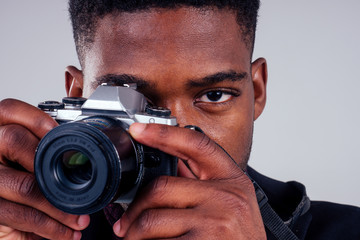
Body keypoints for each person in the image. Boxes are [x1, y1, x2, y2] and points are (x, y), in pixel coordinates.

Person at [0, 0, 359, 239]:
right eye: (133, 99)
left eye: (214, 96)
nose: (177, 133)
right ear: (78, 96)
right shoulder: (34, 226)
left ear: (257, 92)